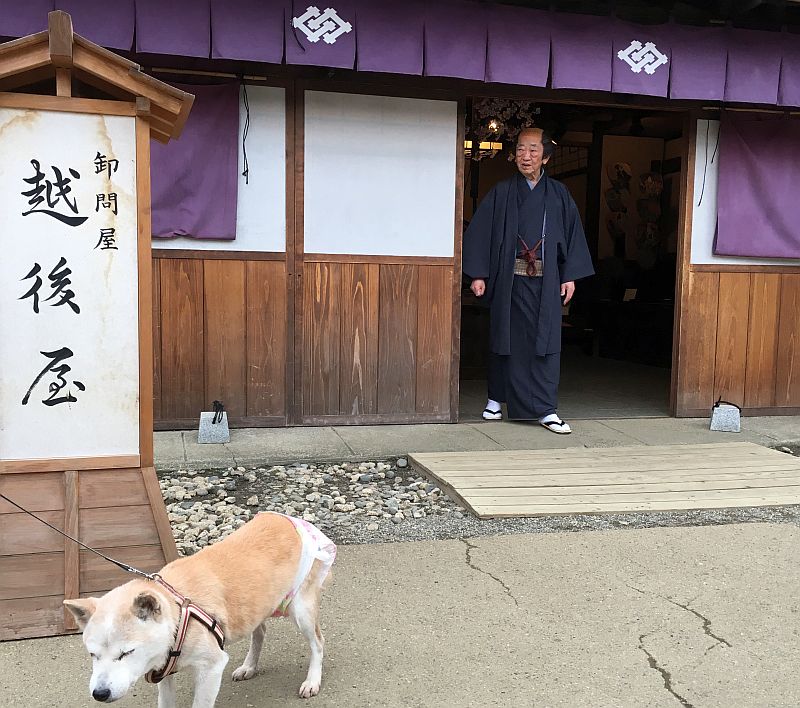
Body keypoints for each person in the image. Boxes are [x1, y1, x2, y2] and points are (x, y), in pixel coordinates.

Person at [462, 127, 594, 434]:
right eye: (521, 149)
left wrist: (570, 275)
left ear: (545, 157)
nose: (526, 156)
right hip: (510, 279)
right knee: (503, 337)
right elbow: (481, 232)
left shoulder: (559, 194)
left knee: (545, 342)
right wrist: (478, 274)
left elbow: (573, 235)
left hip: (546, 281)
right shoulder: (502, 191)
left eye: (534, 150)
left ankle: (546, 409)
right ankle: (496, 398)